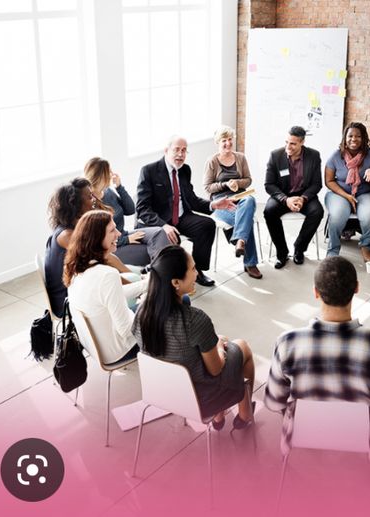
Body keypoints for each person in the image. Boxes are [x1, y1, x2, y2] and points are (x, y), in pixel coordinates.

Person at [264, 256, 370, 461]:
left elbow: (274, 403)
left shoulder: (287, 342)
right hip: (362, 441)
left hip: (300, 436)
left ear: (315, 292)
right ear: (357, 288)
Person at [133, 245, 256, 430]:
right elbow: (215, 369)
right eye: (192, 269)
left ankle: (220, 416)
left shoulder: (141, 312)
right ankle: (244, 413)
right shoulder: (195, 320)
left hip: (163, 392)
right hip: (202, 399)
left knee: (215, 344)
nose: (197, 274)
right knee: (242, 346)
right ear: (175, 282)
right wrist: (219, 347)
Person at [136, 135, 231, 287]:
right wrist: (163, 225)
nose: (181, 154)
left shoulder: (185, 170)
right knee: (171, 241)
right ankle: (166, 280)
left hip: (181, 216)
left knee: (207, 225)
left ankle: (197, 271)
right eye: (177, 150)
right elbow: (142, 208)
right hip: (160, 221)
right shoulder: (149, 171)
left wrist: (213, 205)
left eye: (184, 150)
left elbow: (192, 199)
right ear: (166, 150)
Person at [63, 211, 146, 364]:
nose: (119, 233)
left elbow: (111, 295)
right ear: (97, 238)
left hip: (97, 348)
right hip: (120, 350)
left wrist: (146, 285)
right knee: (177, 302)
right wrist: (148, 302)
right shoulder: (107, 275)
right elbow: (127, 330)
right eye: (112, 230)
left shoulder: (76, 268)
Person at [84, 157, 170, 267]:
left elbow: (130, 209)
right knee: (155, 249)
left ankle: (163, 271)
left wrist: (119, 187)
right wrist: (126, 240)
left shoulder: (108, 191)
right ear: (101, 176)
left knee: (159, 233)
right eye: (109, 171)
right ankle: (162, 273)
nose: (112, 174)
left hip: (123, 234)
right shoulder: (89, 202)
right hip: (113, 247)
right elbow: (98, 240)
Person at [45, 178, 112, 318]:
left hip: (78, 291)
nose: (94, 199)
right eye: (90, 196)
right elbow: (103, 262)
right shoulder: (67, 236)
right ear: (75, 204)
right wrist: (135, 282)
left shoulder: (72, 228)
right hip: (68, 303)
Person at [203, 126, 262, 279]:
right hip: (220, 202)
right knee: (246, 219)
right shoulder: (212, 161)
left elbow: (248, 180)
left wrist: (237, 183)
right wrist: (225, 185)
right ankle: (250, 262)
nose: (228, 143)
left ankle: (240, 240)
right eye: (224, 140)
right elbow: (207, 187)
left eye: (230, 139)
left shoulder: (240, 158)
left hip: (241, 197)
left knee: (249, 200)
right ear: (218, 142)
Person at [264, 126, 324, 269]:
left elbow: (317, 184)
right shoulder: (275, 155)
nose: (288, 146)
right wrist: (286, 199)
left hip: (304, 195)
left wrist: (303, 198)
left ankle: (299, 248)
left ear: (302, 142)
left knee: (317, 212)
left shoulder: (314, 155)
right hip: (282, 196)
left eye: (292, 143)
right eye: (286, 142)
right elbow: (269, 185)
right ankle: (282, 252)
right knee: (269, 211)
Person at [324, 122, 370, 261]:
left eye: (358, 136)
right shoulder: (336, 155)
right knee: (337, 214)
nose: (354, 139)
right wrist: (347, 196)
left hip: (366, 192)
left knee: (369, 215)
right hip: (339, 193)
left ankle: (366, 246)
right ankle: (333, 250)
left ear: (364, 138)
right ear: (345, 138)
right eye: (350, 136)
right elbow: (329, 181)